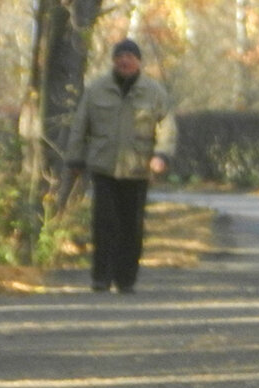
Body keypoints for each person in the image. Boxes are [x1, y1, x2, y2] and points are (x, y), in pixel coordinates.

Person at [65, 38, 177, 294]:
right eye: (120, 56)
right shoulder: (96, 90)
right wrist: (75, 158)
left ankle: (126, 279)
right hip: (104, 167)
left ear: (138, 62)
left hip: (138, 169)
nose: (125, 61)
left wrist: (161, 155)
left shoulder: (154, 92)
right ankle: (101, 277)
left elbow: (167, 127)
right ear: (114, 60)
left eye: (130, 56)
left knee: (131, 225)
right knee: (104, 224)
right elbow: (80, 126)